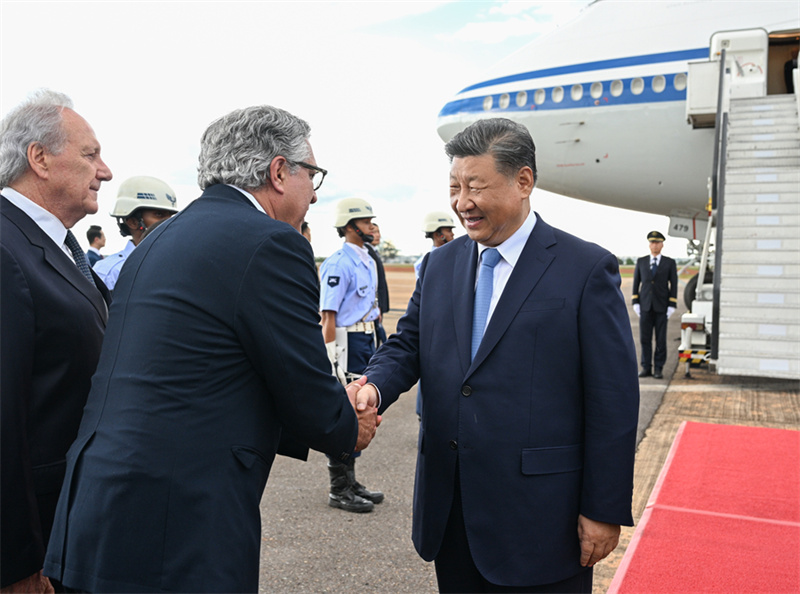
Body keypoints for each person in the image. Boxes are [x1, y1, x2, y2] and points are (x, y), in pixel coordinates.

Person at [42, 104, 378, 593]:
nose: (313, 194)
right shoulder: (271, 244)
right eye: (313, 176)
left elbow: (204, 374)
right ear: (280, 171)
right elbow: (302, 384)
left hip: (95, 515)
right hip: (176, 528)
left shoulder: (160, 240)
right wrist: (348, 425)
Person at [354, 118, 639, 593]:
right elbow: (408, 343)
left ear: (523, 181)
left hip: (544, 519)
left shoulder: (585, 268)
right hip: (453, 511)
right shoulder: (439, 264)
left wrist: (603, 507)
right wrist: (374, 387)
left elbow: (613, 398)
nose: (462, 202)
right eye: (454, 186)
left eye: (475, 187)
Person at [0, 89, 113, 593]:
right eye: (90, 154)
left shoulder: (55, 246)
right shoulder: (5, 249)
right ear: (39, 159)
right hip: (34, 543)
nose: (105, 171)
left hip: (69, 524)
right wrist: (14, 561)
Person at [319, 197, 384, 513]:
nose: (372, 225)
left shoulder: (368, 259)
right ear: (350, 226)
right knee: (345, 411)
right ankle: (338, 488)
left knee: (359, 409)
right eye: (366, 221)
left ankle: (351, 481)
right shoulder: (337, 263)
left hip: (365, 340)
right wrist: (331, 360)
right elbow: (328, 316)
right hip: (345, 343)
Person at [92, 175, 178, 290]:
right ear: (132, 222)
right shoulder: (109, 272)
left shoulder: (176, 264)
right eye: (159, 214)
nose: (169, 222)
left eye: (171, 216)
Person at [413, 211, 456, 419]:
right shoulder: (427, 262)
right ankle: (423, 412)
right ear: (439, 234)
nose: (452, 234)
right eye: (449, 230)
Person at [632, 230, 678, 379]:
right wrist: (635, 301)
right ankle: (646, 367)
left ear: (662, 245)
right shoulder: (641, 261)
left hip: (662, 307)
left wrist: (672, 304)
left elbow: (674, 284)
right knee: (645, 339)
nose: (654, 245)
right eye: (652, 242)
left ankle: (658, 368)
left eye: (657, 242)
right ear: (649, 245)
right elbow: (636, 283)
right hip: (645, 306)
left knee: (660, 340)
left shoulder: (669, 262)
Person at [414, 210, 455, 278]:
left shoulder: (456, 256)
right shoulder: (423, 263)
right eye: (449, 230)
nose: (452, 234)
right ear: (437, 235)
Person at [367, 223, 390, 346]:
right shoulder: (367, 253)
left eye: (378, 232)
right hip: (375, 307)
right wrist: (377, 307)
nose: (377, 235)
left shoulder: (373, 252)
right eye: (373, 232)